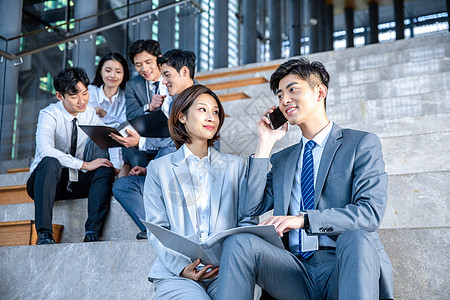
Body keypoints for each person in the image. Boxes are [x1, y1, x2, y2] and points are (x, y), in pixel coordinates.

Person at [216, 58, 394, 300]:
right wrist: (264, 144)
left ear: (319, 91)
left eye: (293, 89)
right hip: (294, 271)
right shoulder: (284, 159)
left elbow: (370, 214)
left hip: (343, 267)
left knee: (358, 237)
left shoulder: (360, 144)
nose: (284, 100)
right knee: (238, 243)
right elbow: (250, 207)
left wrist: (303, 220)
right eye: (279, 95)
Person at [144, 84, 256, 300]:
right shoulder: (159, 169)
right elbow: (157, 229)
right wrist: (182, 267)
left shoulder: (235, 166)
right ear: (182, 117)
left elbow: (247, 221)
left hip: (226, 271)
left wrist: (232, 262)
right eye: (202, 110)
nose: (211, 117)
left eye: (216, 112)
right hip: (176, 274)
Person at [111, 49, 197, 239]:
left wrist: (143, 144)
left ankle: (163, 229)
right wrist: (149, 169)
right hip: (167, 168)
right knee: (123, 186)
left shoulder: (199, 101)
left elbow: (178, 141)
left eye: (166, 75)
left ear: (184, 72)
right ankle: (156, 229)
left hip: (188, 172)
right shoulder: (175, 100)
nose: (163, 82)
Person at [26, 67, 115, 245]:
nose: (82, 101)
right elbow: (45, 150)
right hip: (47, 183)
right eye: (74, 97)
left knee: (105, 168)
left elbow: (107, 136)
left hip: (76, 183)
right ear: (60, 96)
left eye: (85, 93)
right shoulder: (49, 114)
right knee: (50, 162)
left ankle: (92, 232)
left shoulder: (89, 113)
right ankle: (44, 234)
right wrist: (84, 164)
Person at [123, 39, 171, 168]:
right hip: (147, 137)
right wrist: (149, 107)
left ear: (159, 59)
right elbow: (131, 116)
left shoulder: (174, 78)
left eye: (148, 62)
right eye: (138, 64)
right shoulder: (132, 85)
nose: (144, 69)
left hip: (171, 137)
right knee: (128, 142)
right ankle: (140, 174)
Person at [88, 52, 130, 176]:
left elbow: (124, 126)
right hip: (94, 142)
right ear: (101, 72)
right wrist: (98, 112)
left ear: (124, 74)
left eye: (118, 71)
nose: (113, 75)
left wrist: (103, 114)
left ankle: (119, 177)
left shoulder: (127, 96)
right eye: (108, 70)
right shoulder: (91, 92)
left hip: (121, 142)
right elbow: (89, 121)